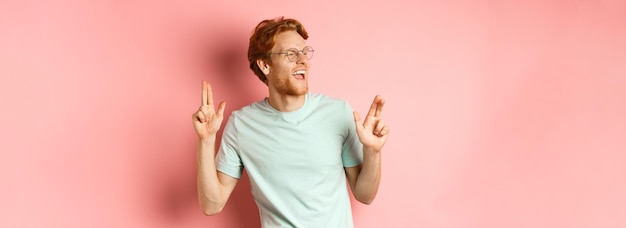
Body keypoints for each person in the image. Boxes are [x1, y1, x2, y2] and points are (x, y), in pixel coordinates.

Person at [192, 16, 390, 227]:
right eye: (291, 54)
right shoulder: (241, 125)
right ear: (265, 65)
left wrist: (372, 151)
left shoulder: (337, 112)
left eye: (305, 53)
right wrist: (205, 141)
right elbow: (212, 205)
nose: (303, 60)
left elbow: (365, 194)